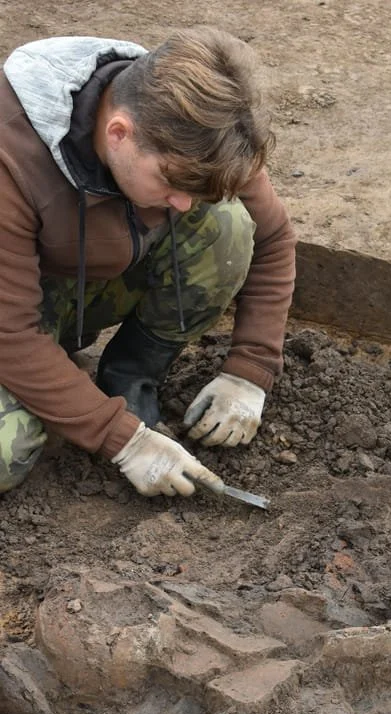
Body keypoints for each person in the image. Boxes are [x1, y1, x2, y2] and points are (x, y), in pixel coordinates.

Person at [0, 29, 296, 497]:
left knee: (228, 224)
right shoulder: (10, 160)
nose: (181, 205)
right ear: (119, 133)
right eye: (171, 185)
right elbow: (10, 335)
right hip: (9, 312)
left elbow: (273, 237)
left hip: (69, 283)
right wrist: (123, 441)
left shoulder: (195, 130)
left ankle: (129, 375)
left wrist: (250, 370)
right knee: (4, 452)